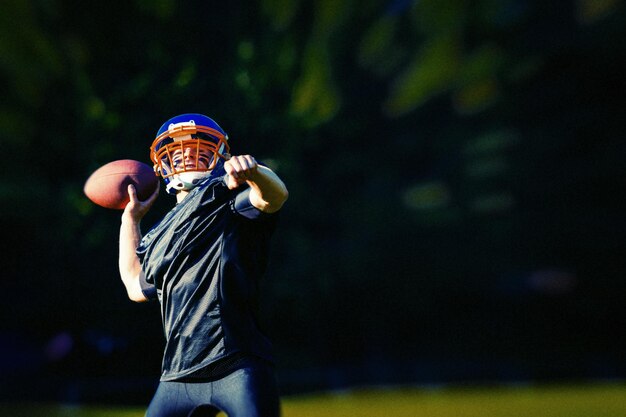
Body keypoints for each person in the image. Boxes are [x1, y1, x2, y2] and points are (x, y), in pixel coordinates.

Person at [118, 113, 288, 417]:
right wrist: (129, 219)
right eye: (177, 148)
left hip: (236, 365)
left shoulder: (231, 205)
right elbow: (134, 285)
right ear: (161, 165)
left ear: (221, 156)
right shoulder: (158, 235)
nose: (186, 153)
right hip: (176, 375)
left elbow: (274, 197)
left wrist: (256, 172)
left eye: (198, 146)